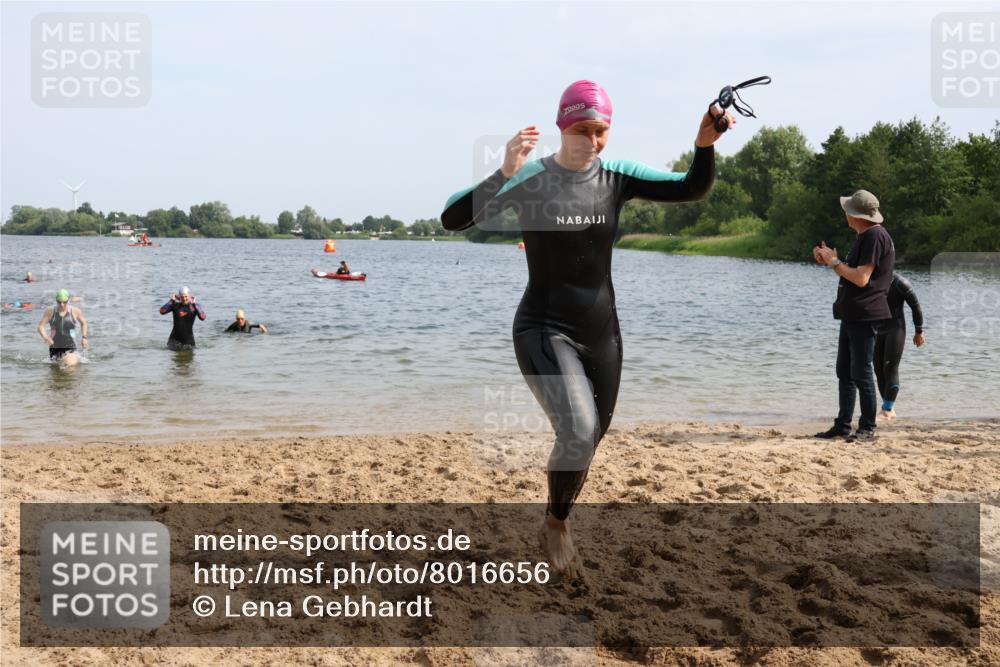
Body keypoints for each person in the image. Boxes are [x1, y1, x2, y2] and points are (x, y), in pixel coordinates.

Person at [441, 80, 727, 572]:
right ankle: (555, 527)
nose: (591, 141)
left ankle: (558, 515)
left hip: (602, 334)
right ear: (561, 127)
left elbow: (691, 188)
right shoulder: (530, 178)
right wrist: (502, 172)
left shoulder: (618, 175)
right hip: (543, 327)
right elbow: (453, 219)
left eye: (601, 131)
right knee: (577, 429)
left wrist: (704, 145)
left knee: (589, 437)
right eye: (581, 130)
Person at [813, 190, 895, 442]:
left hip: (865, 314)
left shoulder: (875, 237)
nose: (845, 214)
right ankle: (843, 424)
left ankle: (868, 427)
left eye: (847, 210)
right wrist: (831, 260)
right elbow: (853, 273)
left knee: (860, 371)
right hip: (854, 313)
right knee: (846, 371)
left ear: (855, 215)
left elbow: (861, 278)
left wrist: (835, 262)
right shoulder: (866, 235)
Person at [875, 272, 925, 421]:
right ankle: (888, 406)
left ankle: (887, 410)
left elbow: (916, 306)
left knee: (890, 368)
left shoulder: (900, 283)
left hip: (895, 329)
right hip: (878, 329)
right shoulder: (874, 279)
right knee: (878, 369)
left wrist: (919, 331)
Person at [37, 288, 88, 364]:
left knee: (70, 366)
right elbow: (40, 326)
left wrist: (84, 338)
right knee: (56, 373)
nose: (62, 304)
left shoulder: (75, 311)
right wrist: (46, 337)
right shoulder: (50, 312)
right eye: (59, 302)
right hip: (54, 346)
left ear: (68, 300)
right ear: (56, 300)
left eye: (64, 302)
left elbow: (84, 323)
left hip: (70, 345)